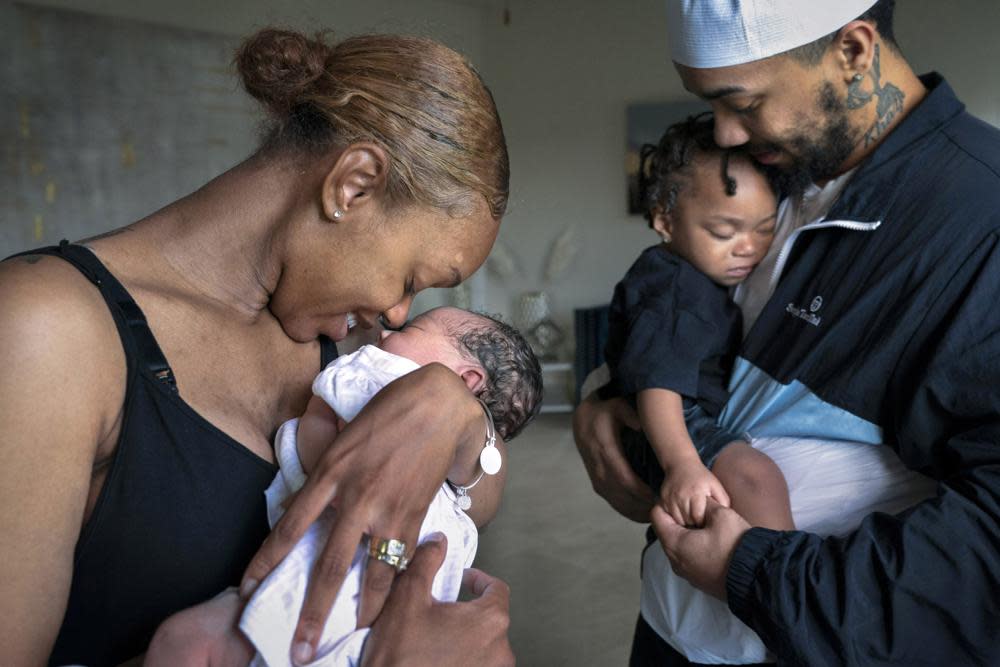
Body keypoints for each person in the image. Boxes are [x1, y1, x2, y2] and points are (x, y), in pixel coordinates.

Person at [0, 28, 516, 667]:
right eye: (411, 280)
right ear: (352, 185)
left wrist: (455, 418)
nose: (398, 313)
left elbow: (479, 499)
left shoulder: (349, 338)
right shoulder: (44, 329)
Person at [573, 0, 1000, 664]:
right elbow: (682, 330)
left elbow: (984, 558)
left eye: (742, 102)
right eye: (709, 104)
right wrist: (604, 400)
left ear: (854, 51)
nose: (727, 133)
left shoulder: (982, 219)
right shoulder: (768, 182)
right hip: (671, 626)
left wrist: (754, 571)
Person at [148, 306, 542, 667]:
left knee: (182, 643)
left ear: (467, 379)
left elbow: (311, 446)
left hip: (305, 601)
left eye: (409, 328)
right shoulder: (460, 476)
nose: (386, 332)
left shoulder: (380, 373)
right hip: (392, 626)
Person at [605, 113, 791, 532]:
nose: (747, 247)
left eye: (765, 229)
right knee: (757, 480)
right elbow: (659, 384)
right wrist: (683, 465)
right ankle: (780, 575)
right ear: (664, 221)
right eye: (724, 231)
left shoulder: (694, 274)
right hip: (669, 425)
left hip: (680, 418)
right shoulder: (674, 287)